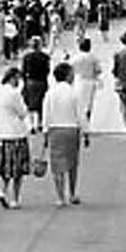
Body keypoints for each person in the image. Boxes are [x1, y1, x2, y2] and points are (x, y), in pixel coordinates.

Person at [42, 62, 86, 207]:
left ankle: (60, 197)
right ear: (67, 75)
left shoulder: (50, 93)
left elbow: (46, 115)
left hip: (55, 129)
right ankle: (72, 193)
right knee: (72, 163)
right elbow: (80, 114)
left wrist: (45, 132)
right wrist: (86, 132)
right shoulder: (74, 92)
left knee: (57, 165)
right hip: (72, 130)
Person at [0, 66, 31, 210]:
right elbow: (23, 112)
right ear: (13, 78)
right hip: (15, 133)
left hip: (1, 132)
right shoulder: (14, 94)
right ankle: (15, 198)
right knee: (18, 171)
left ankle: (3, 190)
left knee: (5, 169)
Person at [21, 36, 51, 134]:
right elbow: (47, 71)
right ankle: (39, 124)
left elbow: (23, 71)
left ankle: (30, 125)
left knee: (29, 103)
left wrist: (25, 82)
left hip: (30, 81)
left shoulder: (26, 57)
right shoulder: (45, 57)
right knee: (41, 103)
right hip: (41, 81)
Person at [71, 37, 102, 124]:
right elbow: (98, 70)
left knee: (79, 102)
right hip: (90, 81)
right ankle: (86, 121)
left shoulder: (76, 58)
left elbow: (70, 68)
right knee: (89, 104)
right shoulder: (93, 57)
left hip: (79, 81)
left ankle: (79, 121)